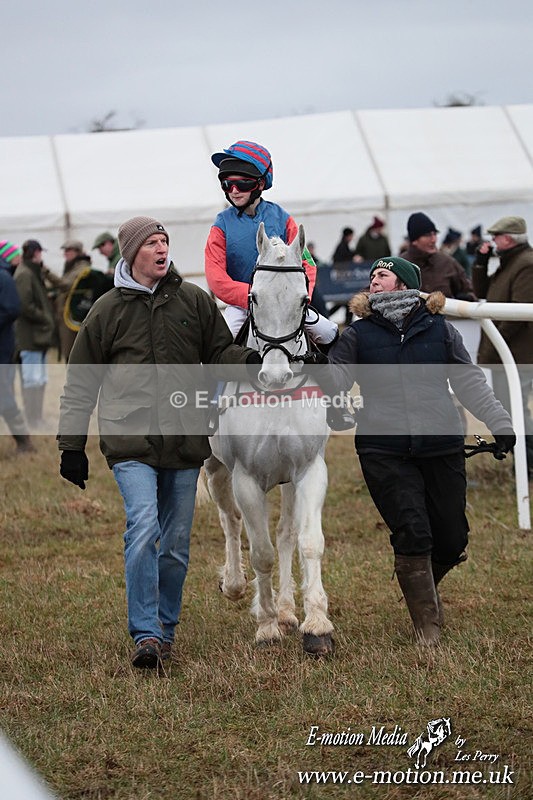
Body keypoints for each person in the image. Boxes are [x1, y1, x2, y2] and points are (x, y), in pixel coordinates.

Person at [58, 216, 261, 669]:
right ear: (132, 253)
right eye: (151, 242)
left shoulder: (193, 300)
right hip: (130, 440)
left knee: (175, 544)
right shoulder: (106, 310)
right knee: (144, 526)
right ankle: (145, 633)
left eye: (165, 240)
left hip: (185, 440)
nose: (162, 248)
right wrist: (71, 445)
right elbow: (81, 380)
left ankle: (165, 631)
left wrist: (251, 361)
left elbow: (219, 352)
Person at [328, 256, 515, 645]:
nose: (373, 280)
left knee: (452, 538)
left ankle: (420, 583)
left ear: (403, 284)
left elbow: (469, 381)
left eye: (382, 275)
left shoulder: (439, 328)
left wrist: (500, 422)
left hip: (441, 443)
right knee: (412, 530)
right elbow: (336, 378)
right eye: (372, 275)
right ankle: (427, 625)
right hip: (383, 448)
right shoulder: (358, 333)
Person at [204, 139, 353, 430]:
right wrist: (252, 296)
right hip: (242, 304)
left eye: (241, 184)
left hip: (286, 304)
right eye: (227, 184)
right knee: (220, 344)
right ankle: (210, 407)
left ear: (260, 184)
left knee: (328, 332)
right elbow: (215, 277)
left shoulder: (283, 219)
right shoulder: (220, 225)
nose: (233, 190)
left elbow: (307, 264)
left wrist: (299, 298)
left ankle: (337, 403)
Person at [472, 216, 533, 480]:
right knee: (510, 410)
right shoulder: (511, 262)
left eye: (496, 236)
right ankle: (523, 465)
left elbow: (518, 313)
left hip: (517, 354)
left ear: (508, 238)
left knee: (516, 411)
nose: (493, 241)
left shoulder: (525, 264)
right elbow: (482, 291)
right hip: (508, 353)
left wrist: (496, 338)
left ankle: (528, 466)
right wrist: (481, 263)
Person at [13, 239, 57, 429]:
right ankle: (33, 420)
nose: (41, 256)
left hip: (37, 336)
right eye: (40, 252)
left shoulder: (31, 272)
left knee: (40, 379)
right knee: (32, 380)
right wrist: (45, 317)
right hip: (29, 337)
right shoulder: (25, 274)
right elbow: (24, 305)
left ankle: (37, 419)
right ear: (35, 252)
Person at [0, 241, 34, 452]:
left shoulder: (4, 277)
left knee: (3, 394)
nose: (19, 258)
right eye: (15, 255)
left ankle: (24, 442)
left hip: (2, 347)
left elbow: (12, 309)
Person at [404, 212, 476, 299]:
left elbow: (469, 291)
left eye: (435, 234)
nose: (434, 239)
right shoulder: (401, 266)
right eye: (428, 235)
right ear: (414, 240)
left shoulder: (447, 263)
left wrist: (466, 298)